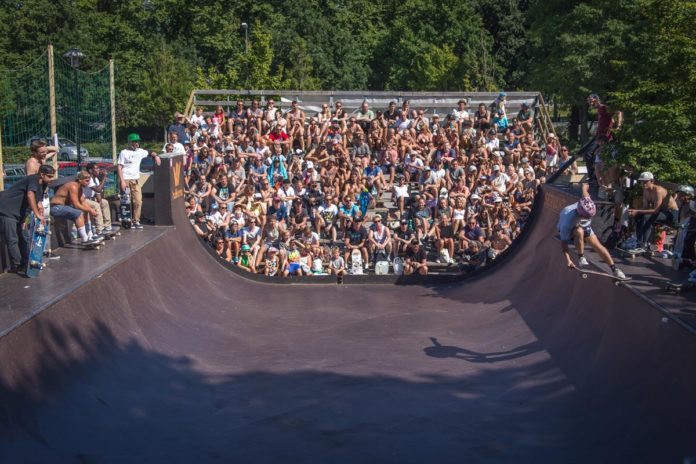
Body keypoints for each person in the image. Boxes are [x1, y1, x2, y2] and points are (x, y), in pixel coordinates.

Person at [559, 184, 626, 279]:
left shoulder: (586, 200)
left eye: (589, 217)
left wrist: (586, 186)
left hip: (583, 225)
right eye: (586, 217)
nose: (588, 218)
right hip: (571, 229)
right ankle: (581, 257)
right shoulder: (567, 220)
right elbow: (564, 243)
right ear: (581, 214)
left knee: (597, 245)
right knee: (579, 231)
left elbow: (584, 187)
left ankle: (614, 268)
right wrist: (568, 260)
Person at [0, 164, 55, 272]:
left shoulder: (43, 185)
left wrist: (26, 217)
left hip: (19, 213)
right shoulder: (33, 179)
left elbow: (36, 202)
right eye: (49, 176)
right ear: (42, 174)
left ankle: (26, 262)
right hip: (7, 210)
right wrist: (37, 214)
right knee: (12, 239)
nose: (51, 179)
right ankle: (18, 265)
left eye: (52, 176)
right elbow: (30, 195)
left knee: (24, 237)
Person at [117, 133, 161, 229]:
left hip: (135, 180)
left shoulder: (140, 151)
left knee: (138, 200)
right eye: (134, 142)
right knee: (126, 201)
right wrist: (122, 181)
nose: (136, 143)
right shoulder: (124, 152)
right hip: (126, 179)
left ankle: (136, 220)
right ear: (130, 142)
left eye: (137, 142)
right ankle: (127, 221)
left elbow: (150, 152)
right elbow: (119, 167)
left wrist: (156, 156)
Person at [628, 172, 679, 249]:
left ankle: (644, 243)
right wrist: (635, 211)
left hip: (671, 213)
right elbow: (645, 207)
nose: (643, 184)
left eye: (645, 181)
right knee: (638, 216)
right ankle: (639, 241)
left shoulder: (658, 191)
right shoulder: (645, 191)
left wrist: (637, 211)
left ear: (652, 181)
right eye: (642, 181)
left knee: (647, 217)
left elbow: (655, 211)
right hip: (661, 211)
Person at [51, 171, 103, 244]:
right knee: (78, 213)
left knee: (86, 210)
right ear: (80, 180)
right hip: (56, 207)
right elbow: (76, 205)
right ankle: (85, 240)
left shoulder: (79, 188)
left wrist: (90, 210)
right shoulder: (73, 186)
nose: (88, 183)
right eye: (86, 181)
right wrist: (91, 210)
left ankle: (90, 235)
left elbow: (83, 202)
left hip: (65, 207)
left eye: (89, 181)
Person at [84, 163, 113, 235]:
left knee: (104, 202)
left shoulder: (96, 179)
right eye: (96, 168)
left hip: (91, 198)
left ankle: (107, 225)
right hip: (83, 199)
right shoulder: (88, 179)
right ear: (90, 170)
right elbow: (98, 189)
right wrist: (104, 178)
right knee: (96, 205)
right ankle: (99, 229)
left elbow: (98, 194)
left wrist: (100, 202)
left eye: (98, 168)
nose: (98, 170)